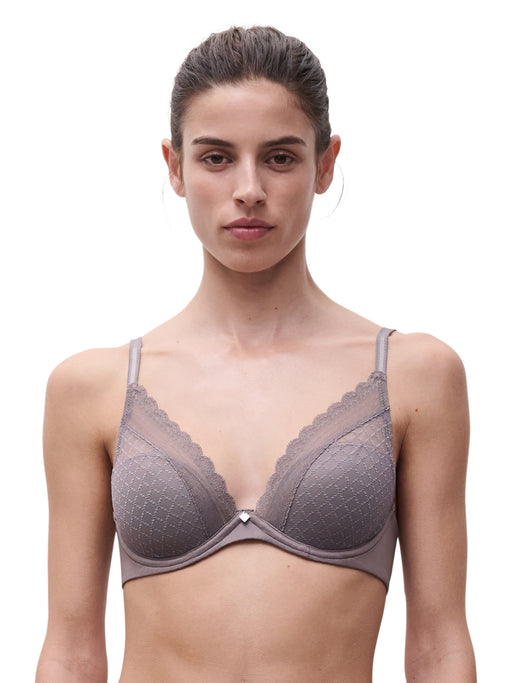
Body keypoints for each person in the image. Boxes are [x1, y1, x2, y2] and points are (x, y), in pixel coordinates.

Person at [36, 26, 476, 683]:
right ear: (175, 167)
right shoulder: (90, 389)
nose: (248, 189)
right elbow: (71, 650)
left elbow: (440, 643)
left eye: (279, 157)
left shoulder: (415, 377)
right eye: (216, 157)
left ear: (324, 164)